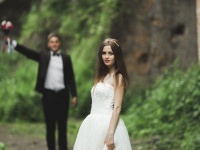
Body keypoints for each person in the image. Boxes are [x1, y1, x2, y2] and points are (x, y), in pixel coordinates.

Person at [6, 33, 78, 150]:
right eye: (52, 42)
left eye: (56, 42)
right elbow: (28, 53)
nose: (54, 44)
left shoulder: (66, 58)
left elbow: (71, 78)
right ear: (48, 44)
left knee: (62, 127)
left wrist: (74, 95)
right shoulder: (43, 56)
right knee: (50, 127)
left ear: (59, 44)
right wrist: (14, 44)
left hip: (63, 96)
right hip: (48, 96)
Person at [73, 38, 132, 150]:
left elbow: (117, 107)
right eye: (104, 53)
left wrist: (110, 134)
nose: (106, 56)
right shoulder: (102, 76)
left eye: (111, 53)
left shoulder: (118, 77)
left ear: (117, 55)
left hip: (107, 123)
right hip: (92, 123)